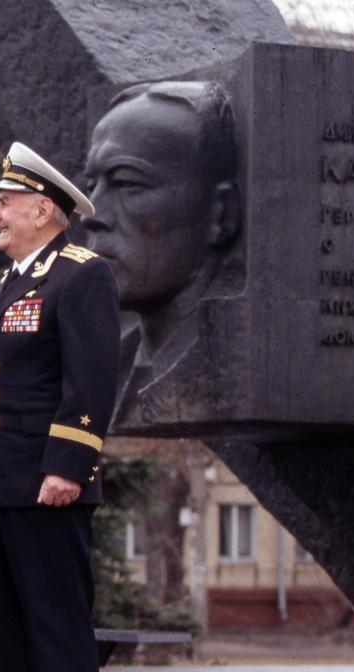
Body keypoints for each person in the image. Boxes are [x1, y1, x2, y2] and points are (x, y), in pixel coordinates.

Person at [0, 142, 120, 672]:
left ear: (43, 209)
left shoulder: (81, 274)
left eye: (4, 202)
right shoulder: (6, 284)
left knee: (57, 636)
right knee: (3, 642)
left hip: (45, 488)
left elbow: (91, 382)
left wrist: (67, 469)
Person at [80, 81, 240, 426]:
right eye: (92, 186)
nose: (91, 215)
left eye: (128, 183)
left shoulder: (237, 361)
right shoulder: (107, 369)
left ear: (221, 214)